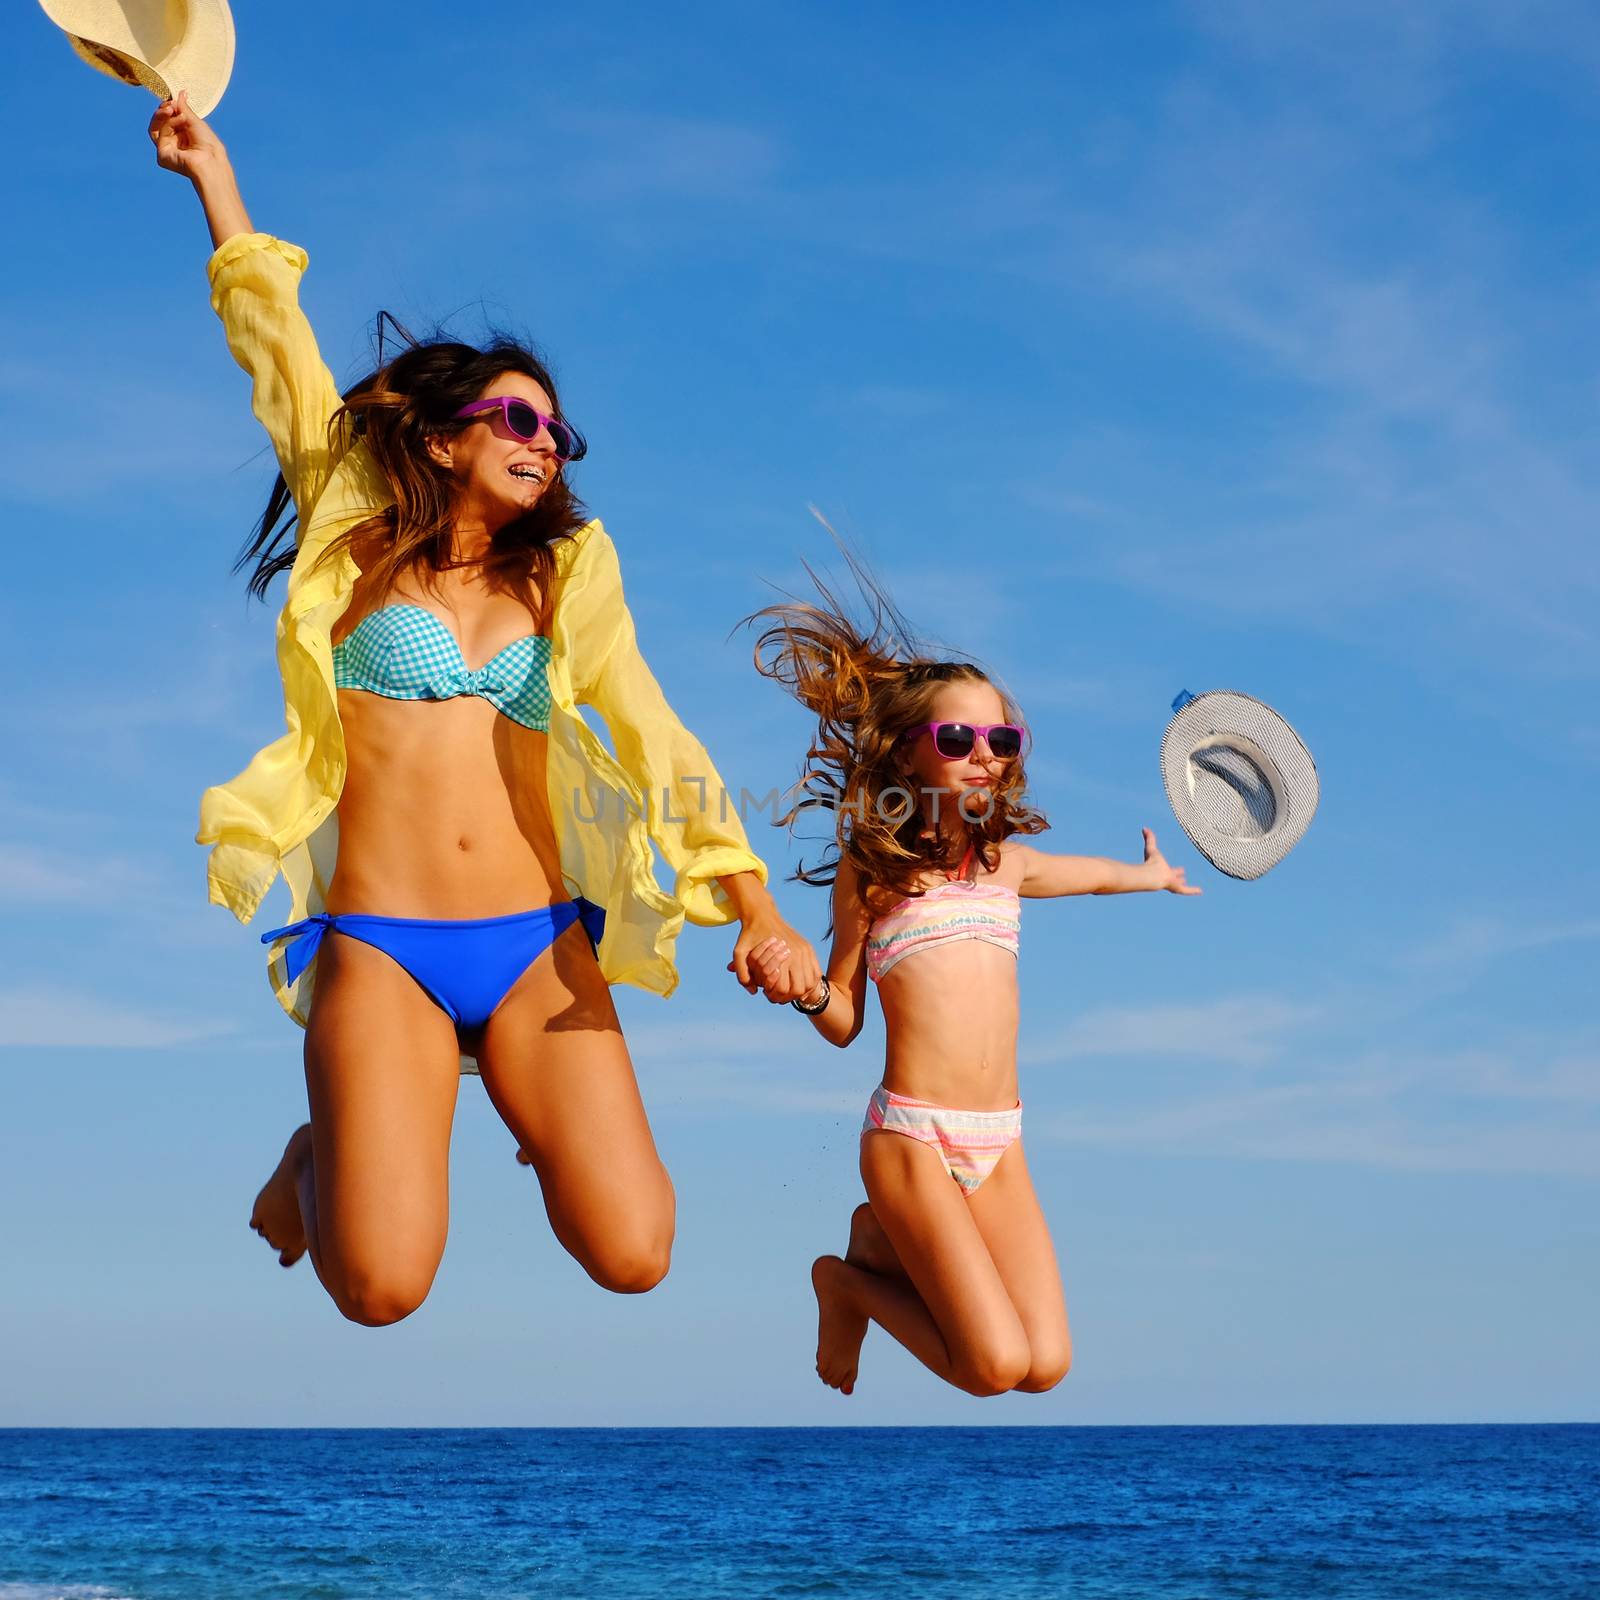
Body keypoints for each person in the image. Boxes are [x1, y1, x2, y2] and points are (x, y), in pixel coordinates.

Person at [148, 92, 820, 1326]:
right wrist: (216, 182)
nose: (545, 440)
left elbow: (656, 733)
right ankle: (318, 1156)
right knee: (382, 1290)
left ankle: (470, 1108)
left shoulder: (567, 572)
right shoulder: (350, 532)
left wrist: (757, 904)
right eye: (517, 416)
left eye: (558, 429)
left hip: (532, 940)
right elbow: (277, 345)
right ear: (447, 437)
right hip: (384, 946)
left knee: (635, 1253)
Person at [744, 565, 1198, 1395]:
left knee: (1047, 1367)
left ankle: (878, 1244)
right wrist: (804, 988)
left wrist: (1150, 876)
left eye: (1002, 741)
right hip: (912, 1138)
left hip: (1002, 1142)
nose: (983, 755)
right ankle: (846, 1281)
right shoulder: (873, 871)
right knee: (991, 1368)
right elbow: (843, 1015)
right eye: (958, 740)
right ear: (908, 753)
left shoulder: (1006, 864)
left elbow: (1089, 876)